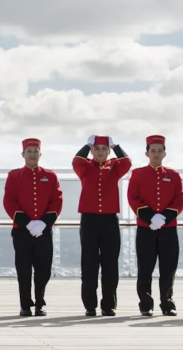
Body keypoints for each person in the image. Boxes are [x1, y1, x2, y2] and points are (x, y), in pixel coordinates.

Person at [3, 138, 63, 316]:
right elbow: (9, 201)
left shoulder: (50, 175)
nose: (32, 154)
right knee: (23, 268)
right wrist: (27, 223)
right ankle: (25, 304)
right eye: (29, 151)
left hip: (43, 230)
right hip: (22, 229)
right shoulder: (14, 176)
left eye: (35, 151)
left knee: (43, 268)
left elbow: (57, 200)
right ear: (23, 154)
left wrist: (44, 222)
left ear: (40, 154)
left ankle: (40, 303)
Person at [73, 135, 131, 316]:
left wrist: (116, 145)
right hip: (89, 221)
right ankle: (90, 305)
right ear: (92, 151)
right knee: (89, 263)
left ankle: (108, 305)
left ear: (108, 151)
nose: (100, 152)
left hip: (109, 220)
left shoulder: (114, 167)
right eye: (96, 149)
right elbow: (76, 161)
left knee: (110, 265)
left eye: (104, 149)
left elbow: (127, 162)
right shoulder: (85, 167)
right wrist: (86, 145)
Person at [127, 135, 182, 316]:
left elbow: (180, 199)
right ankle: (146, 304)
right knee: (145, 267)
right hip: (146, 228)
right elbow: (133, 197)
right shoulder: (138, 173)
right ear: (147, 153)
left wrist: (164, 217)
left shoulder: (173, 175)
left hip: (168, 229)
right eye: (153, 151)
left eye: (160, 151)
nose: (156, 154)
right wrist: (151, 217)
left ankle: (167, 302)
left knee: (168, 267)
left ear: (164, 154)